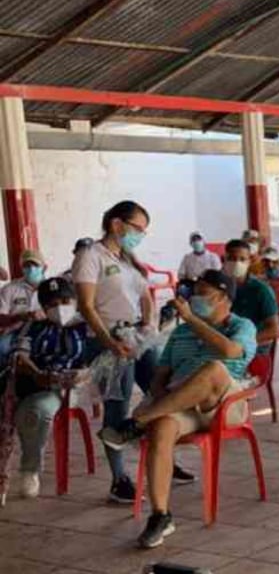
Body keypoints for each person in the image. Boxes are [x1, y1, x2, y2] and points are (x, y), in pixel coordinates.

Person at [99, 269, 257, 549]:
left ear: (224, 299)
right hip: (184, 403)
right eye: (194, 293)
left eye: (203, 294)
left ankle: (137, 423)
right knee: (162, 427)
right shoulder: (181, 332)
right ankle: (161, 515)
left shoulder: (241, 326)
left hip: (224, 403)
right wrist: (160, 395)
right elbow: (161, 374)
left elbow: (232, 352)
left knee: (213, 369)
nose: (195, 298)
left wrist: (192, 319)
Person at [74, 200, 175, 503]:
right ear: (117, 224)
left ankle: (165, 456)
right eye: (137, 229)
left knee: (162, 391)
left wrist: (148, 323)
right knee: (116, 408)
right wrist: (109, 343)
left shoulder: (127, 257)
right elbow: (86, 306)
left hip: (136, 337)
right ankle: (120, 480)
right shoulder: (90, 256)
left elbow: (144, 293)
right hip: (108, 340)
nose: (140, 236)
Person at [8, 277, 92, 500]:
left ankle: (29, 470)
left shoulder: (87, 327)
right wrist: (37, 373)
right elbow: (20, 355)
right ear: (44, 308)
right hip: (38, 383)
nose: (60, 308)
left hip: (69, 388)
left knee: (35, 412)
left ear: (74, 301)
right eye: (52, 305)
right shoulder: (34, 327)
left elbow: (100, 361)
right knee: (28, 409)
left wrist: (84, 374)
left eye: (65, 301)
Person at [223, 239, 279, 347]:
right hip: (222, 345)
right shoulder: (216, 286)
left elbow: (273, 329)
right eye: (231, 259)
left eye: (242, 259)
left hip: (253, 347)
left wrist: (243, 342)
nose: (237, 263)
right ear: (224, 259)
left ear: (249, 262)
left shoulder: (261, 290)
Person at [0, 250, 47, 348]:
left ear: (44, 268)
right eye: (27, 265)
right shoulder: (9, 289)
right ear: (21, 268)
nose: (31, 269)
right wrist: (20, 317)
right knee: (2, 347)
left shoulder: (52, 287)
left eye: (35, 265)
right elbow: (1, 318)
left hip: (45, 330)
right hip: (15, 332)